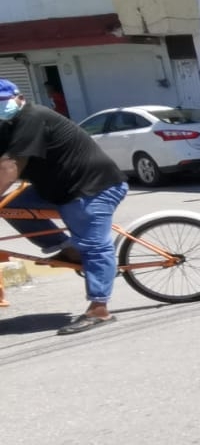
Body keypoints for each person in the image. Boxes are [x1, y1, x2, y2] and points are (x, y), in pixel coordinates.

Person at [0, 78, 128, 334]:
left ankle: (99, 309)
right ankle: (67, 249)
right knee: (13, 206)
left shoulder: (32, 117)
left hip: (91, 187)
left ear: (18, 98)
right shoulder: (7, 125)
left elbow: (10, 167)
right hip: (55, 189)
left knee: (94, 246)